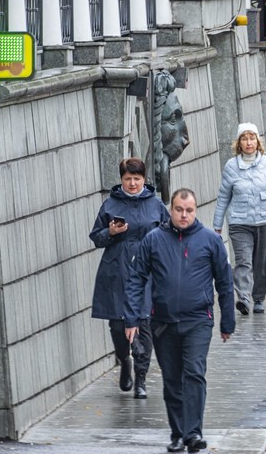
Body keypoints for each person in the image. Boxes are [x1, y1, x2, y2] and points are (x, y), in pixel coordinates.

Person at [124, 188, 235, 453]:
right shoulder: (153, 240)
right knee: (172, 379)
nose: (184, 215)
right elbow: (136, 278)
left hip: (198, 320)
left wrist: (227, 321)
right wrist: (131, 319)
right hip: (163, 322)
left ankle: (193, 433)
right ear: (170, 209)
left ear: (195, 211)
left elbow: (224, 282)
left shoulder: (210, 240)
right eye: (178, 210)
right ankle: (177, 434)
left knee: (194, 373)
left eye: (189, 210)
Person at [89, 157, 169, 399]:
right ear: (121, 179)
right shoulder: (110, 204)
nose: (132, 183)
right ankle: (124, 360)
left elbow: (170, 235)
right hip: (117, 269)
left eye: (137, 179)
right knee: (117, 324)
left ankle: (141, 380)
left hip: (147, 271)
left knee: (145, 323)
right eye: (128, 179)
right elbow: (96, 237)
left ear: (144, 179)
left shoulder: (155, 205)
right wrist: (111, 232)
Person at [213, 123, 266, 315]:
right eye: (244, 139)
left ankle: (259, 298)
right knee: (243, 261)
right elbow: (223, 197)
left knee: (262, 262)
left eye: (252, 138)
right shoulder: (231, 166)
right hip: (239, 223)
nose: (248, 143)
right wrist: (217, 226)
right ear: (238, 143)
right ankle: (243, 297)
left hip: (265, 221)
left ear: (258, 141)